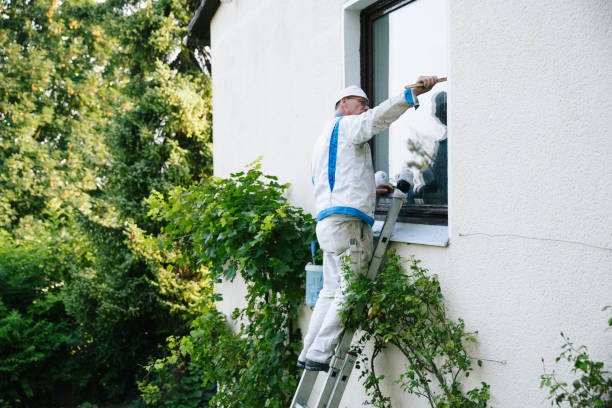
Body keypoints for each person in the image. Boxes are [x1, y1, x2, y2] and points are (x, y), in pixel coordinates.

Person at [298, 76, 440, 371]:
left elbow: (328, 180)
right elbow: (377, 119)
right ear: (344, 105)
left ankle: (308, 351)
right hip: (348, 224)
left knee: (329, 291)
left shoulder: (323, 138)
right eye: (361, 103)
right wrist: (410, 94)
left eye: (366, 104)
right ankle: (321, 353)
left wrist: (369, 189)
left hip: (328, 222)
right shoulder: (348, 125)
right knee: (351, 289)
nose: (366, 108)